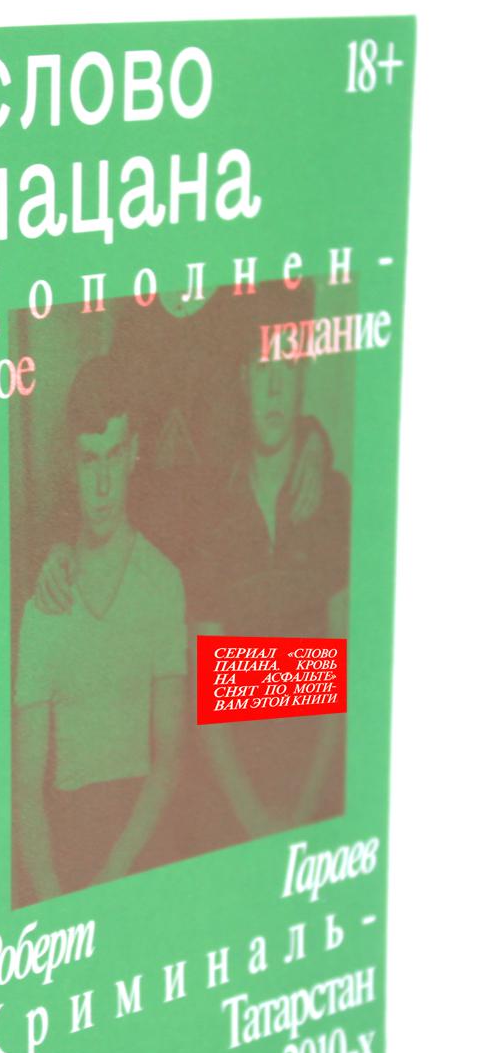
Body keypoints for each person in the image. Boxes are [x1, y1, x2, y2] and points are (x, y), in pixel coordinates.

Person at [13, 356, 187, 901]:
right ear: (71, 465)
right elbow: (25, 791)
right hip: (65, 842)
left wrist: (112, 878)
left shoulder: (163, 583)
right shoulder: (45, 604)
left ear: (134, 452)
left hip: (143, 838)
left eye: (114, 455)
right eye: (90, 460)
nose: (104, 484)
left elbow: (170, 758)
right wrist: (53, 898)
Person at [192, 348, 350, 844]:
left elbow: (343, 671)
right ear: (243, 379)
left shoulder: (335, 497)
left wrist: (302, 813)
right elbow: (207, 689)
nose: (275, 388)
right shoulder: (212, 504)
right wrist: (258, 825)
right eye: (263, 368)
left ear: (303, 378)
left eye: (287, 366)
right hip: (233, 803)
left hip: (318, 795)